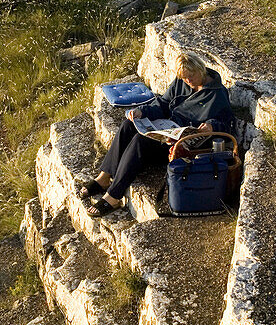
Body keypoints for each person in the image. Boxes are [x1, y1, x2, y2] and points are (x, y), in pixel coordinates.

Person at [83, 52, 234, 217]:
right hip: (168, 129)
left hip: (184, 145)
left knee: (141, 141)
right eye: (184, 78)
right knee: (128, 125)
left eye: (191, 76)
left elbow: (227, 124)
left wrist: (212, 126)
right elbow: (163, 103)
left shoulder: (217, 94)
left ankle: (113, 195)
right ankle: (104, 176)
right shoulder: (181, 82)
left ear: (201, 70)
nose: (188, 81)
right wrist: (142, 112)